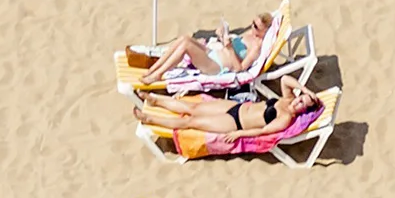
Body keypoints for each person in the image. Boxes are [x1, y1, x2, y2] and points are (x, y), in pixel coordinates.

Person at [137, 76, 323, 138]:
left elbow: (264, 131)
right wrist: (305, 89)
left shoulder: (285, 118)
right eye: (301, 99)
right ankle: (156, 100)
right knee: (191, 107)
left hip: (235, 122)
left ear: (302, 111)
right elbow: (285, 80)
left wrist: (239, 134)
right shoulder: (287, 99)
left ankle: (150, 119)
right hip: (235, 106)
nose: (297, 102)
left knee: (192, 122)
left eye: (302, 104)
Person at [144, 13, 275, 84]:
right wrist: (222, 36)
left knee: (186, 46)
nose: (252, 27)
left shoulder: (256, 48)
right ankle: (154, 69)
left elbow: (239, 69)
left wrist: (229, 48)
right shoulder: (249, 35)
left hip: (216, 66)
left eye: (256, 27)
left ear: (265, 31)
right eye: (252, 23)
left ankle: (158, 75)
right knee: (185, 38)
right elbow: (230, 46)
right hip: (214, 53)